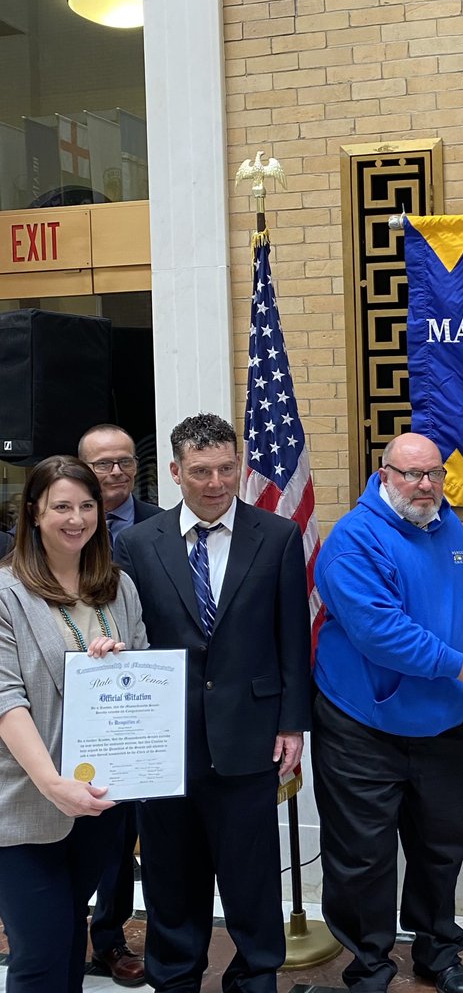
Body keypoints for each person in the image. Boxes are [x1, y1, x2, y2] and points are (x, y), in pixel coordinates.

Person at [114, 413, 312, 993]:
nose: (216, 482)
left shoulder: (274, 536)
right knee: (173, 876)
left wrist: (293, 723)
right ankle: (175, 977)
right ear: (175, 472)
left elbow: (291, 639)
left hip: (251, 735)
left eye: (227, 468)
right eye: (201, 471)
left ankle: (255, 977)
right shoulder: (135, 544)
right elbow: (125, 632)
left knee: (251, 877)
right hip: (163, 743)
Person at [312, 432, 463, 993]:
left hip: (442, 723)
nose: (425, 486)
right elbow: (381, 633)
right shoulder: (354, 539)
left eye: (434, 474)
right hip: (362, 725)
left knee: (440, 845)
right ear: (384, 476)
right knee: (362, 857)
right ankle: (370, 966)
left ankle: (437, 951)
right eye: (411, 474)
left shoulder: (447, 524)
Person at [0, 455, 147, 993]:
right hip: (23, 801)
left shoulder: (118, 588)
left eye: (86, 505)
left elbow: (144, 671)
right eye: (61, 506)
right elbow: (4, 698)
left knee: (68, 937)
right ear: (34, 513)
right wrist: (51, 783)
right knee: (37, 954)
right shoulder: (6, 593)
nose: (76, 518)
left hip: (97, 801)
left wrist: (121, 659)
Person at [79, 424, 162, 988]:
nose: (115, 472)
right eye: (103, 463)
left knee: (149, 832)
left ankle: (136, 936)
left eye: (125, 462)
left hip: (148, 704)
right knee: (94, 834)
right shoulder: (52, 530)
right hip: (76, 709)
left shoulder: (165, 526)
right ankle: (88, 938)